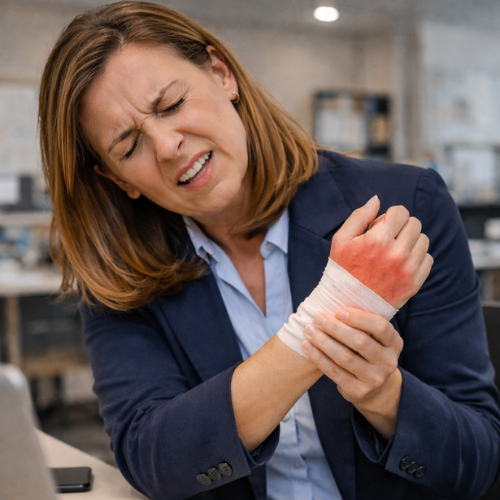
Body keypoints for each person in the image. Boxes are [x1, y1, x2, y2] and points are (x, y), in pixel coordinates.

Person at [38, 2, 500, 499]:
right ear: (117, 179)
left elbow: (477, 460)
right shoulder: (117, 274)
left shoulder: (404, 204)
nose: (168, 146)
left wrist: (384, 395)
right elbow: (152, 459)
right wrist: (334, 310)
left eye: (171, 104)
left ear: (222, 75)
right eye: (129, 147)